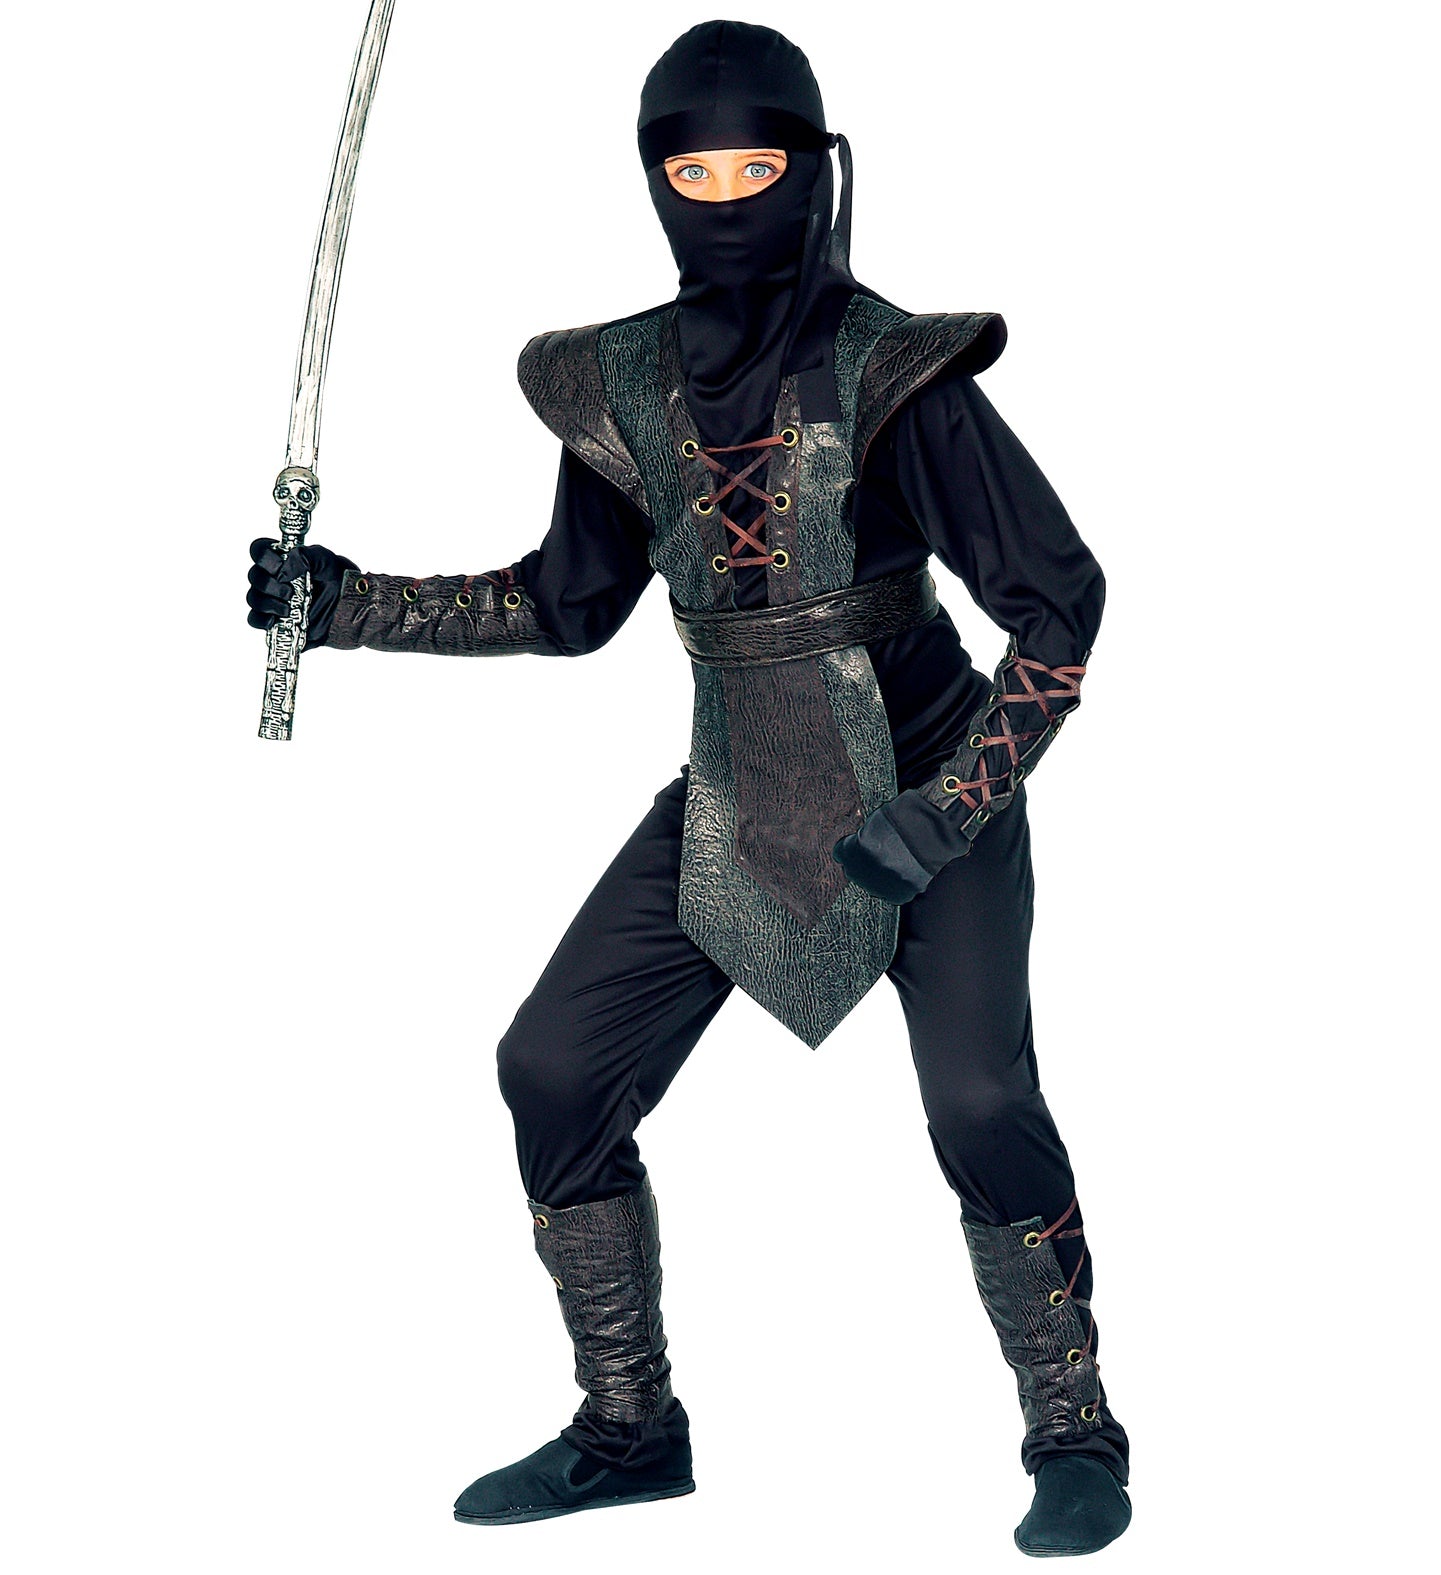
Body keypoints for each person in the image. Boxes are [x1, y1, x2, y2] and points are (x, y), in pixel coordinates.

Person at [247, 20, 1132, 1557]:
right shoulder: (623, 383)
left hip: (929, 781)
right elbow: (564, 605)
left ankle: (1073, 1429)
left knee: (982, 1101)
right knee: (552, 1069)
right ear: (653, 179)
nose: (724, 199)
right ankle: (627, 1430)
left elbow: (1059, 607)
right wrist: (345, 603)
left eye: (755, 167)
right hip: (738, 787)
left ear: (814, 171)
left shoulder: (895, 373)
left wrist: (953, 805)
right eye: (693, 173)